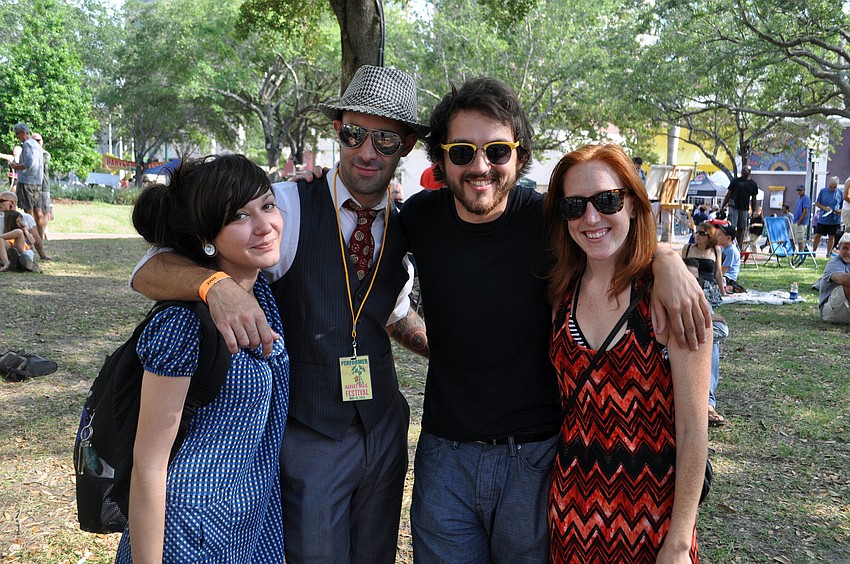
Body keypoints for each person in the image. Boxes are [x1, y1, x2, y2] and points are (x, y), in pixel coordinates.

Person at [400, 77, 708, 562]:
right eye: (462, 152)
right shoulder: (417, 218)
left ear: (519, 157)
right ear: (440, 160)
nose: (480, 166)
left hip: (536, 460)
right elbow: (355, 248)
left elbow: (612, 226)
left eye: (497, 151)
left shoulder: (549, 218)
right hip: (446, 459)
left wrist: (668, 260)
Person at [131, 65, 430, 563]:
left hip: (382, 428)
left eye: (385, 140)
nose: (366, 151)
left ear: (408, 145)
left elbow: (393, 313)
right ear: (338, 131)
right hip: (311, 434)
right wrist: (214, 285)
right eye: (354, 134)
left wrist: (455, 353)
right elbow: (148, 267)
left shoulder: (407, 223)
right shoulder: (283, 207)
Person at [115, 154, 290, 562]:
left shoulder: (261, 293)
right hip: (187, 534)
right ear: (207, 237)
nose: (265, 226)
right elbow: (149, 467)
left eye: (267, 205)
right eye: (239, 217)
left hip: (249, 525)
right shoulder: (183, 325)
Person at [543, 143, 709, 562]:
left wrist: (678, 539)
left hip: (652, 521)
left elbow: (693, 431)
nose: (591, 217)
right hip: (569, 516)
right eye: (574, 206)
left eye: (606, 200)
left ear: (632, 204)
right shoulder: (560, 294)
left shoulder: (674, 300)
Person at [683, 257, 729, 426]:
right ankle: (706, 403)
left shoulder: (699, 297)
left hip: (690, 346)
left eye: (696, 279)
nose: (692, 283)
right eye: (687, 278)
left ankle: (708, 404)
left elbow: (722, 331)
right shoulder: (666, 297)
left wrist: (703, 320)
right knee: (707, 337)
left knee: (710, 340)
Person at [8, 124, 45, 233]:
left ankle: (32, 236)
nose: (17, 136)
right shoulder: (36, 144)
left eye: (17, 133)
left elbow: (28, 163)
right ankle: (40, 236)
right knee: (38, 209)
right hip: (38, 181)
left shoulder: (27, 144)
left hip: (27, 181)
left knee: (28, 210)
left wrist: (16, 166)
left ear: (23, 132)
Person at [681, 222, 725, 308]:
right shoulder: (687, 248)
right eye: (697, 232)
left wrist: (722, 291)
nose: (697, 235)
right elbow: (682, 269)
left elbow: (718, 272)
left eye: (702, 233)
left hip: (708, 286)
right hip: (691, 284)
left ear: (710, 236)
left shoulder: (715, 250)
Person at [0, 191, 50, 261]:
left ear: (12, 203)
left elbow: (36, 240)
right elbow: (37, 241)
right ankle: (15, 261)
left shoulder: (25, 217)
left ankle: (17, 260)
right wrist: (43, 256)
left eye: (1, 201)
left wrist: (43, 256)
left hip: (20, 248)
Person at [721, 164, 759, 248]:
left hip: (744, 209)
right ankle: (730, 246)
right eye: (742, 170)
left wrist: (753, 211)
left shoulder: (753, 184)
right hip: (733, 207)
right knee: (732, 227)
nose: (743, 172)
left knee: (742, 228)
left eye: (745, 170)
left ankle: (738, 247)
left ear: (749, 172)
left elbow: (754, 199)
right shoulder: (735, 181)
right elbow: (728, 194)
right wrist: (723, 205)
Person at [817, 232, 850, 324]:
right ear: (839, 248)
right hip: (830, 311)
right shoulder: (834, 263)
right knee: (847, 284)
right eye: (845, 248)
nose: (848, 252)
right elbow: (840, 279)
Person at [812, 176, 843, 256]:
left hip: (834, 219)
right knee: (818, 234)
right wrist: (824, 208)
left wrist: (839, 211)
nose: (832, 189)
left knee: (832, 236)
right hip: (823, 218)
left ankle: (828, 253)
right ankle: (813, 251)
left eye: (834, 187)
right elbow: (817, 203)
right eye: (830, 187)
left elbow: (843, 207)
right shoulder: (823, 191)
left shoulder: (840, 192)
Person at [31, 132, 52, 239]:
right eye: (34, 140)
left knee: (45, 210)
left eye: (39, 140)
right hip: (32, 187)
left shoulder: (45, 154)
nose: (37, 142)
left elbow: (37, 163)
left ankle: (42, 232)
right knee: (35, 211)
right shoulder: (29, 153)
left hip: (44, 187)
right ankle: (38, 234)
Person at [718, 223, 742, 291]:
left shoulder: (731, 251)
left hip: (728, 277)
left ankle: (732, 287)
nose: (717, 237)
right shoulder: (722, 248)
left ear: (728, 238)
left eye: (719, 235)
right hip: (722, 275)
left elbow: (724, 270)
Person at [792, 185, 811, 252]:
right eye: (798, 190)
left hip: (801, 222)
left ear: (804, 190)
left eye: (800, 190)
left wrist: (800, 220)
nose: (799, 192)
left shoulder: (806, 198)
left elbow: (805, 210)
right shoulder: (799, 198)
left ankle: (800, 254)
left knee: (800, 240)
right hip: (795, 221)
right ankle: (793, 252)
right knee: (791, 237)